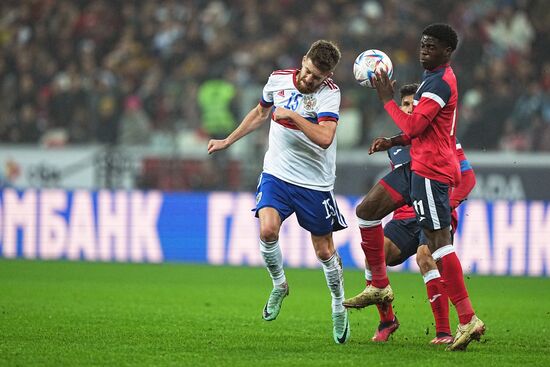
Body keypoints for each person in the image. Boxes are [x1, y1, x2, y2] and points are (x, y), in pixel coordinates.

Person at [345, 23, 485, 351]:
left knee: (436, 247)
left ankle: (467, 319)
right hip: (415, 167)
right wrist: (392, 141)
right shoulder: (429, 80)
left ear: (447, 51)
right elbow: (416, 130)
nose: (424, 50)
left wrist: (386, 101)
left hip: (432, 171)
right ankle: (378, 285)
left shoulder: (440, 82)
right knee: (366, 212)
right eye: (422, 44)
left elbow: (416, 123)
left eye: (431, 46)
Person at [207, 40, 350, 344]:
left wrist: (294, 116)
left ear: (329, 77)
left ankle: (338, 305)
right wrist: (227, 141)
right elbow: (261, 113)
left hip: (315, 183)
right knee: (267, 230)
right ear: (303, 61)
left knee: (324, 251)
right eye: (309, 73)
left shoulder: (330, 94)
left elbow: (325, 138)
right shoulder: (278, 79)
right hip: (277, 174)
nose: (311, 81)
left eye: (319, 77)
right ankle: (279, 284)